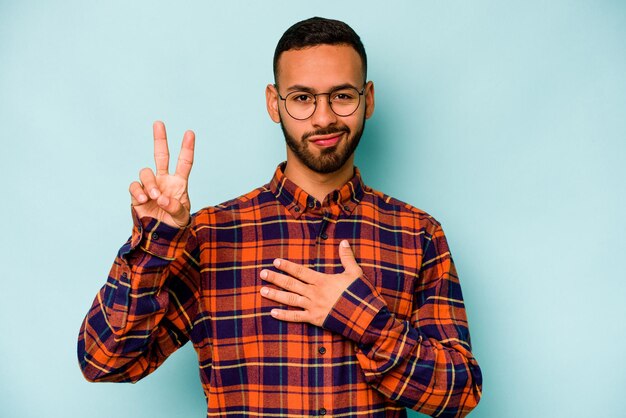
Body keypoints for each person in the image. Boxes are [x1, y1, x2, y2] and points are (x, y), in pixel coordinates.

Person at [78, 17, 482, 418]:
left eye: (342, 96)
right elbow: (103, 361)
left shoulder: (417, 234)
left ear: (368, 99)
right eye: (303, 98)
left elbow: (460, 394)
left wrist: (363, 319)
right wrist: (156, 242)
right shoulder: (212, 237)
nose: (323, 118)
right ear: (274, 102)